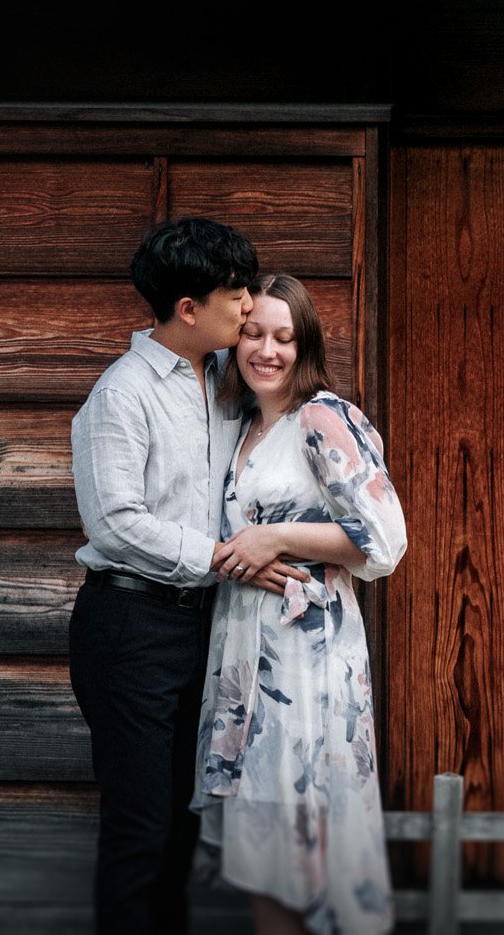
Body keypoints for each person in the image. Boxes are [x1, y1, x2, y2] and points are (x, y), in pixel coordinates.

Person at [70, 217, 306, 933]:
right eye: (235, 291)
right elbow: (115, 522)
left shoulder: (219, 382)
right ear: (188, 308)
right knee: (140, 829)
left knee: (177, 824)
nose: (247, 305)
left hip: (199, 624)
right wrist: (224, 555)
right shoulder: (123, 392)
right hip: (130, 628)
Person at [194, 272, 407, 935]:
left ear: (304, 344)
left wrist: (276, 535)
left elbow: (386, 541)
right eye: (253, 333)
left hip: (306, 668)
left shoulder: (323, 416)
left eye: (284, 337)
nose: (267, 350)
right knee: (264, 852)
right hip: (244, 655)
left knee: (303, 845)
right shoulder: (244, 427)